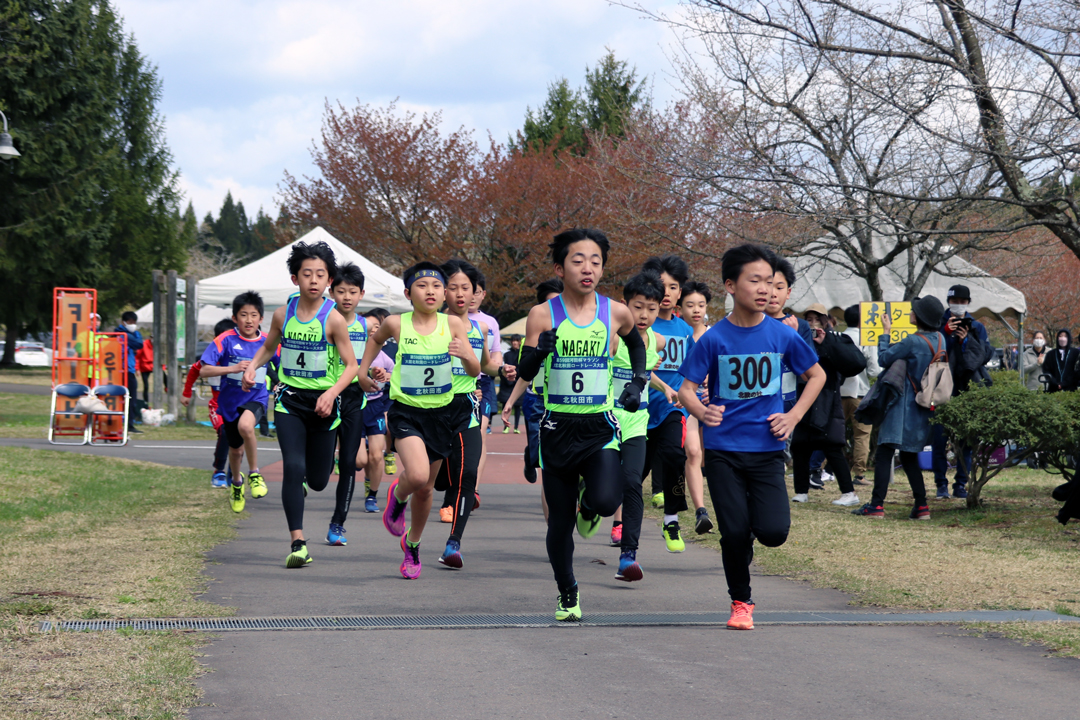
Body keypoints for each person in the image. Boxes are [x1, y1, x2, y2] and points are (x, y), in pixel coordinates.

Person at [678, 244, 824, 631]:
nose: (764, 289)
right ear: (730, 285)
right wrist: (701, 411)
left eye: (771, 282)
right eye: (754, 281)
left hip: (767, 450)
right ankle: (741, 602)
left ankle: (748, 542)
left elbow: (818, 376)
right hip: (724, 449)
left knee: (774, 533)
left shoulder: (780, 334)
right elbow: (686, 389)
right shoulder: (713, 339)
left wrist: (793, 416)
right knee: (735, 531)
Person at [515, 228, 648, 621]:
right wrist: (540, 351)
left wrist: (637, 382)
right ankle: (567, 590)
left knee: (609, 500)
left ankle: (589, 506)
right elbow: (524, 371)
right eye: (578, 260)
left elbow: (636, 344)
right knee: (560, 523)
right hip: (557, 428)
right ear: (560, 267)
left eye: (595, 261)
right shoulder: (542, 314)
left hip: (599, 426)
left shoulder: (616, 311)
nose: (588, 268)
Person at [242, 240, 362, 568]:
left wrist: (331, 393)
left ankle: (308, 483)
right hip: (290, 401)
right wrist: (253, 366)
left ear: (329, 281)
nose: (313, 280)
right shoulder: (283, 314)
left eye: (320, 275)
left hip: (324, 404)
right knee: (293, 468)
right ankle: (298, 542)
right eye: (306, 273)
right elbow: (268, 347)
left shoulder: (334, 319)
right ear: (295, 278)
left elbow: (352, 366)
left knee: (319, 479)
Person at [358, 261, 479, 579]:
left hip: (441, 415)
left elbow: (475, 371)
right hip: (406, 413)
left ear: (443, 294)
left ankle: (412, 545)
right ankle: (396, 497)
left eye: (437, 286)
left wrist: (466, 355)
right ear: (408, 292)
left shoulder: (453, 324)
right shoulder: (397, 324)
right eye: (422, 285)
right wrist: (362, 370)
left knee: (426, 490)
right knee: (418, 473)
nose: (431, 291)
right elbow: (375, 340)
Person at [433, 259, 508, 568]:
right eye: (453, 287)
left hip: (467, 408)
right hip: (432, 411)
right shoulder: (432, 324)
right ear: (443, 292)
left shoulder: (483, 327)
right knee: (431, 482)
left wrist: (503, 368)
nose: (461, 294)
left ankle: (453, 544)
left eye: (467, 288)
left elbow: (487, 364)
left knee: (470, 473)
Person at [852, 296, 947, 521]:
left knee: (885, 452)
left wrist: (885, 332)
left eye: (914, 311)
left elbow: (884, 358)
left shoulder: (913, 341)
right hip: (925, 406)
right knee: (909, 455)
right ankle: (922, 506)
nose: (910, 313)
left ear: (921, 317)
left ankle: (876, 506)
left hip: (902, 406)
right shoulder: (941, 339)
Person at [611, 270, 678, 582]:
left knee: (633, 482)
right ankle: (586, 506)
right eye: (638, 307)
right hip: (606, 420)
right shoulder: (612, 337)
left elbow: (644, 371)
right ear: (625, 305)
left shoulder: (658, 340)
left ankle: (628, 556)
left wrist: (663, 387)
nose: (644, 315)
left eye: (652, 309)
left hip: (638, 421)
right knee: (605, 490)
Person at [640, 254, 699, 549]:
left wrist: (700, 390)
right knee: (635, 472)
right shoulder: (638, 325)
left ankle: (671, 522)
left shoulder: (686, 331)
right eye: (661, 285)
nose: (667, 292)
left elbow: (693, 369)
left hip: (671, 409)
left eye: (674, 287)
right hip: (637, 409)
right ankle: (615, 517)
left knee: (676, 457)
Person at [200, 292, 275, 514]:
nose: (249, 320)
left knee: (246, 427)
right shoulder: (225, 340)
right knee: (235, 450)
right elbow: (204, 369)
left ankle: (254, 474)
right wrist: (233, 368)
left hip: (257, 398)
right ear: (235, 318)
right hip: (230, 402)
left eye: (254, 315)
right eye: (244, 315)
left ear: (261, 318)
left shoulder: (268, 342)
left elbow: (283, 366)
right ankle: (236, 484)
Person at [789, 304, 865, 507]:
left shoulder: (837, 339)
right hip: (804, 398)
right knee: (800, 447)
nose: (813, 324)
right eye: (809, 319)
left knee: (832, 447)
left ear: (826, 320)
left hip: (828, 400)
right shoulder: (801, 339)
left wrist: (828, 341)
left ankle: (849, 492)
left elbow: (855, 364)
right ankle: (801, 490)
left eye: (817, 319)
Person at [501, 279, 563, 522]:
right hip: (536, 402)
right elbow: (525, 372)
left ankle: (530, 455)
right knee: (545, 465)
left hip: (565, 406)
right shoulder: (536, 334)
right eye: (549, 303)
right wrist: (509, 402)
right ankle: (554, 531)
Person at [324, 262, 371, 546]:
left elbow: (368, 360)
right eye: (340, 291)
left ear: (361, 294)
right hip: (324, 395)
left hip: (354, 398)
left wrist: (374, 372)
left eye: (352, 292)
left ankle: (338, 523)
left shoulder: (365, 325)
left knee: (350, 461)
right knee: (323, 462)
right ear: (332, 292)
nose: (346, 297)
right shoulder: (323, 320)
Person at [932, 284, 991, 499]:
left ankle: (961, 485)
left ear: (968, 302)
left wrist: (966, 340)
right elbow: (931, 350)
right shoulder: (937, 324)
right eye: (954, 300)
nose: (958, 305)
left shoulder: (977, 326)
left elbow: (984, 355)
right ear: (948, 301)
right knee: (939, 438)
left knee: (967, 439)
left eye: (963, 301)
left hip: (967, 388)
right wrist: (945, 334)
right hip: (941, 386)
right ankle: (941, 484)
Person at [677, 280, 714, 534]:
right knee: (693, 452)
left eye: (701, 305)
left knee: (707, 457)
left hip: (711, 404)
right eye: (690, 305)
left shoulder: (716, 334)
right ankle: (701, 511)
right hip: (683, 403)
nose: (696, 310)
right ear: (680, 307)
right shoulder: (677, 333)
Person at [182, 318, 237, 488]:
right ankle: (219, 470)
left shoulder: (239, 356)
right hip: (218, 405)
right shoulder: (210, 359)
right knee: (224, 432)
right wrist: (186, 393)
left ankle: (232, 473)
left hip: (236, 404)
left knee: (237, 438)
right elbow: (193, 371)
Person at [468, 275, 502, 506]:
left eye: (476, 291)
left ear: (483, 295)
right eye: (464, 290)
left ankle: (473, 490)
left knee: (478, 435)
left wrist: (503, 368)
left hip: (483, 383)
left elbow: (495, 355)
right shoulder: (443, 319)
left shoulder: (489, 323)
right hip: (453, 384)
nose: (470, 296)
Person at [841, 304, 880, 485]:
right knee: (862, 435)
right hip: (860, 394)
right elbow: (873, 371)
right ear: (862, 320)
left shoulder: (839, 337)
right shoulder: (867, 339)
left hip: (839, 393)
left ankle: (817, 469)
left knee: (830, 432)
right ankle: (859, 474)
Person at [360, 308, 393, 512]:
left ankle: (372, 496)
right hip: (355, 407)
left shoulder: (384, 356)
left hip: (375, 407)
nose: (373, 331)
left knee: (376, 456)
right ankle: (365, 474)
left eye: (377, 328)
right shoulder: (352, 352)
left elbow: (395, 372)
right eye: (369, 328)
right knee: (360, 460)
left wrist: (386, 376)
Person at [114, 311, 145, 433]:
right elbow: (136, 343)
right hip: (117, 369)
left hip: (130, 369)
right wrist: (129, 338)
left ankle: (129, 424)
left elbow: (139, 344)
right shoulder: (117, 333)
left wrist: (127, 337)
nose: (132, 324)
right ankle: (116, 422)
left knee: (131, 398)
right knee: (117, 397)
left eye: (134, 322)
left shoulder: (134, 334)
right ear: (123, 322)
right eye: (130, 322)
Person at [498, 335, 523, 433]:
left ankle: (516, 427)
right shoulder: (507, 354)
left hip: (518, 382)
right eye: (513, 341)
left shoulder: (522, 353)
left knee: (517, 406)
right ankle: (506, 426)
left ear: (520, 342)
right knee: (506, 404)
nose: (514, 343)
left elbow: (521, 368)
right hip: (507, 382)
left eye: (516, 341)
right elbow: (505, 367)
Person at [1043, 329, 1079, 393]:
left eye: (1065, 336)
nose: (1063, 338)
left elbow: (1076, 371)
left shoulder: (1075, 353)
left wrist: (1065, 383)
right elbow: (1046, 370)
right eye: (1060, 336)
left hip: (1071, 390)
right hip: (1053, 389)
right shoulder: (1051, 354)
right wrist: (1055, 382)